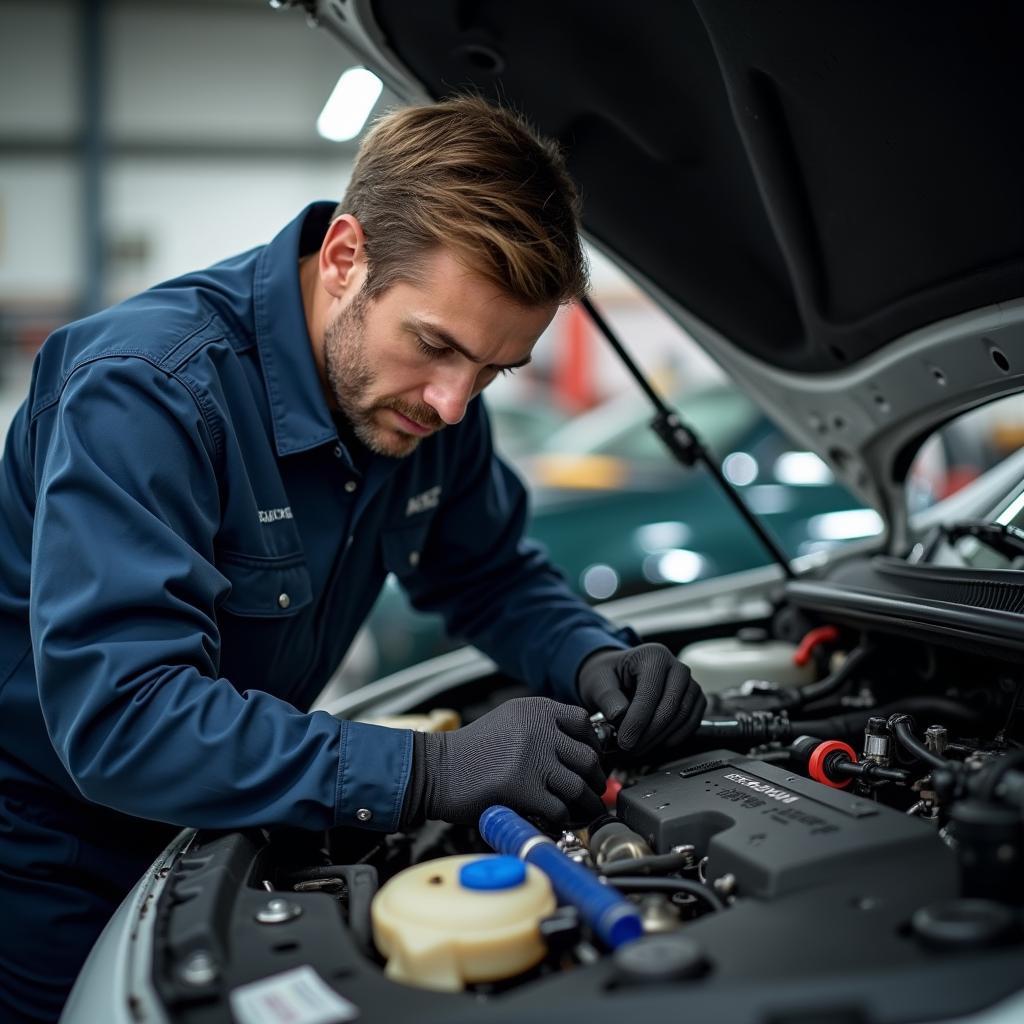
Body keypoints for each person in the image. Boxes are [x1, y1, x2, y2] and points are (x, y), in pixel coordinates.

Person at [0, 96, 705, 1023]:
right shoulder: (148, 393)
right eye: (437, 346)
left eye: (492, 371)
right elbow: (124, 719)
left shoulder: (423, 402)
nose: (454, 405)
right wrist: (430, 773)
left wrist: (591, 656)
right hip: (56, 857)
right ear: (345, 259)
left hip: (233, 818)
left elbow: (487, 573)